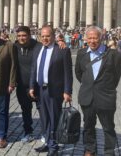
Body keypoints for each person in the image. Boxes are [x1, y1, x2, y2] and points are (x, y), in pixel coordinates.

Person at [75, 26, 121, 156]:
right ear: (85, 39)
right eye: (89, 38)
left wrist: (105, 88)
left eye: (95, 37)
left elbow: (116, 77)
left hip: (106, 97)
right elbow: (79, 74)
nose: (92, 41)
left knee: (108, 128)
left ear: (101, 38)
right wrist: (89, 85)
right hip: (87, 96)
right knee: (88, 126)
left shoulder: (114, 55)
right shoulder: (81, 54)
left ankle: (109, 152)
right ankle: (90, 149)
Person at [29, 25, 73, 156]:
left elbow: (68, 73)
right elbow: (33, 69)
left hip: (54, 90)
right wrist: (31, 86)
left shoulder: (62, 50)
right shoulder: (37, 49)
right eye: (42, 36)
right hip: (39, 89)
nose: (45, 38)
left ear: (54, 36)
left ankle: (54, 146)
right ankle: (47, 142)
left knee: (54, 118)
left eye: (47, 36)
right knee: (44, 118)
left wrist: (67, 91)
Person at [14, 26, 38, 143]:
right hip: (22, 86)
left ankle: (47, 133)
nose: (21, 38)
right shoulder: (15, 47)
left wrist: (60, 43)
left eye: (24, 35)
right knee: (26, 111)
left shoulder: (38, 46)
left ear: (29, 35)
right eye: (19, 36)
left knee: (43, 111)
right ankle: (28, 132)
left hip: (37, 86)